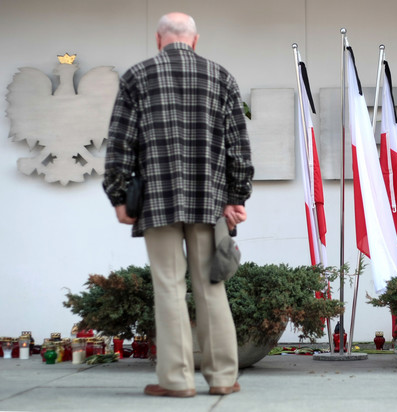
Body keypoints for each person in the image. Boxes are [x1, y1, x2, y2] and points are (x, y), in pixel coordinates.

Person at [103, 12, 254, 397]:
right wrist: (237, 197)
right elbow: (238, 146)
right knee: (211, 286)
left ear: (159, 40)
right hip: (210, 201)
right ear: (195, 40)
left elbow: (120, 142)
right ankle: (222, 378)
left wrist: (119, 197)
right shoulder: (221, 77)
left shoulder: (137, 76)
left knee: (168, 287)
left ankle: (176, 380)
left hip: (157, 200)